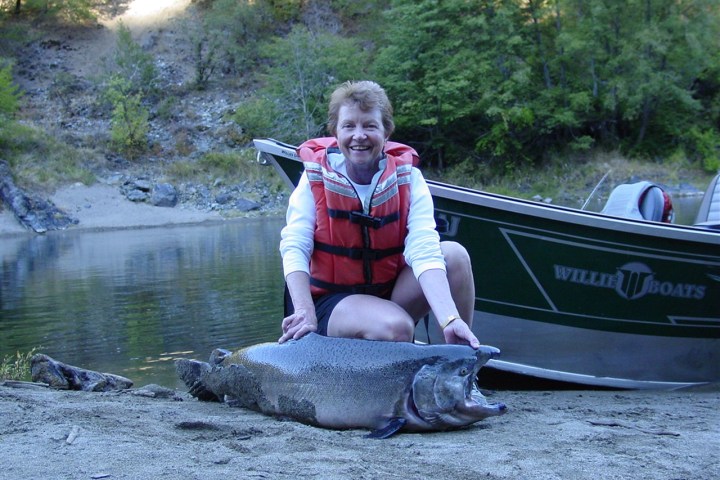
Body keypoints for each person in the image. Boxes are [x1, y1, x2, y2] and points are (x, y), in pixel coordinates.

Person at [278, 80, 479, 348]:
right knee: (395, 327)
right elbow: (295, 245)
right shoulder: (314, 178)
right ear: (335, 133)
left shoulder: (409, 179)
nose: (359, 135)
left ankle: (461, 369)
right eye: (349, 126)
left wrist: (449, 319)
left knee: (455, 256)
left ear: (386, 133)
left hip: (387, 294)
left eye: (370, 126)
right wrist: (303, 309)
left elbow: (423, 249)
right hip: (328, 301)